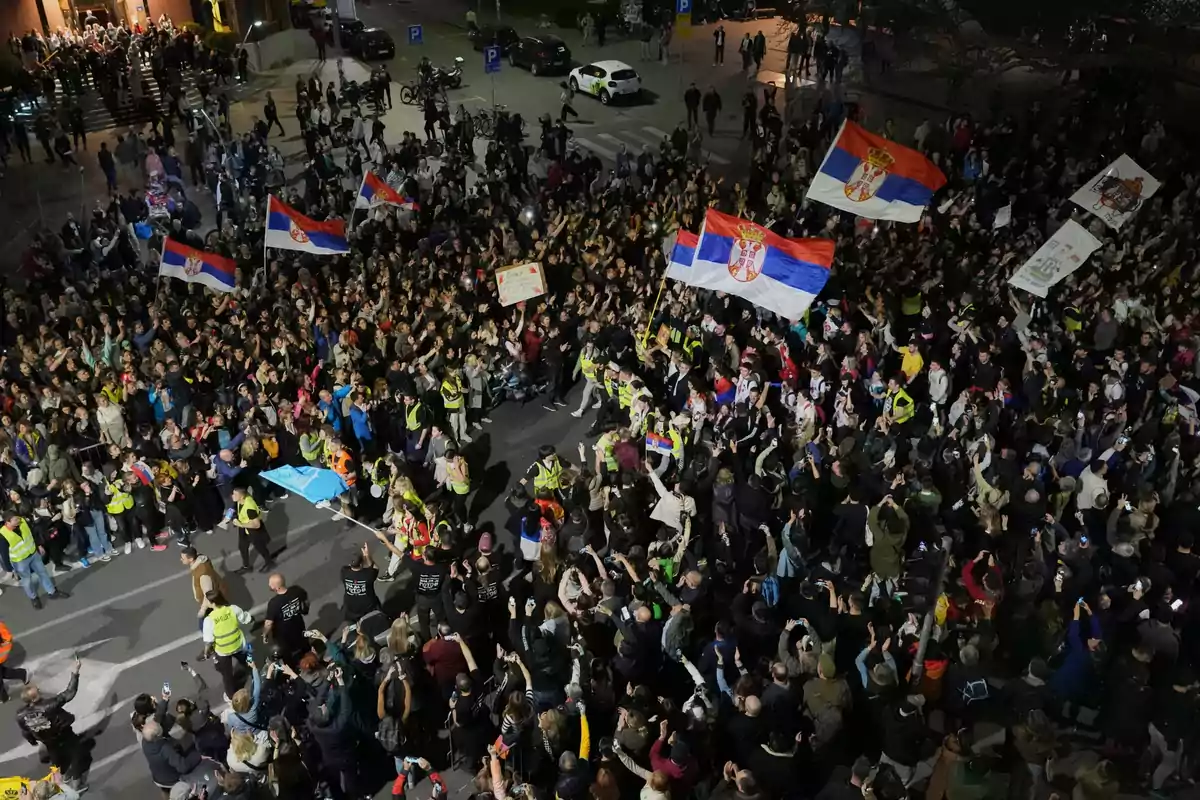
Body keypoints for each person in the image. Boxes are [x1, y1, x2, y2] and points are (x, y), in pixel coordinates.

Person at [16, 653, 86, 791]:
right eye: (38, 690)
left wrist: (33, 741)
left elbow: (26, 732)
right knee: (77, 754)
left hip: (48, 741)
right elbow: (70, 692)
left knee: (56, 761)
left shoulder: (20, 715)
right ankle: (77, 784)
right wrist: (76, 672)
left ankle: (59, 783)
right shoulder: (50, 705)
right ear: (35, 696)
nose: (40, 689)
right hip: (64, 734)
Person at [0, 514, 70, 609]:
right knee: (27, 581)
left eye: (18, 518)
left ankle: (52, 592)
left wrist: (38, 544)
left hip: (33, 554)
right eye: (15, 519)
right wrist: (10, 569)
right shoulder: (3, 534)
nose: (18, 520)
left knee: (43, 573)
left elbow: (31, 534)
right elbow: (4, 553)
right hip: (20, 561)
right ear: (8, 522)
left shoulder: (23, 522)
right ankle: (33, 598)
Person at [201, 590, 253, 699]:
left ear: (212, 603)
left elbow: (209, 641)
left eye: (206, 600)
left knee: (227, 675)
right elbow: (245, 618)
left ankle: (231, 695)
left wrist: (206, 652)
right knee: (248, 662)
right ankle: (255, 676)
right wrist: (250, 618)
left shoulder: (209, 619)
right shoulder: (233, 609)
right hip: (238, 645)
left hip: (223, 650)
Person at [263, 572, 310, 665]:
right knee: (304, 645)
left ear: (277, 587)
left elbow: (269, 623)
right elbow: (306, 600)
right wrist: (305, 610)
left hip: (283, 635)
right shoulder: (296, 590)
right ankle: (309, 662)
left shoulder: (274, 603)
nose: (269, 585)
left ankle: (292, 669)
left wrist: (265, 634)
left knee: (286, 654)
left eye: (271, 584)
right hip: (298, 626)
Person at [230, 486, 275, 575]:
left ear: (242, 496)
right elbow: (237, 509)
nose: (232, 496)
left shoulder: (249, 508)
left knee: (260, 548)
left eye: (235, 494)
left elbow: (256, 524)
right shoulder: (240, 500)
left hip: (253, 530)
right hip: (244, 528)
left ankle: (269, 562)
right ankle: (246, 567)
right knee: (242, 547)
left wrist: (240, 524)